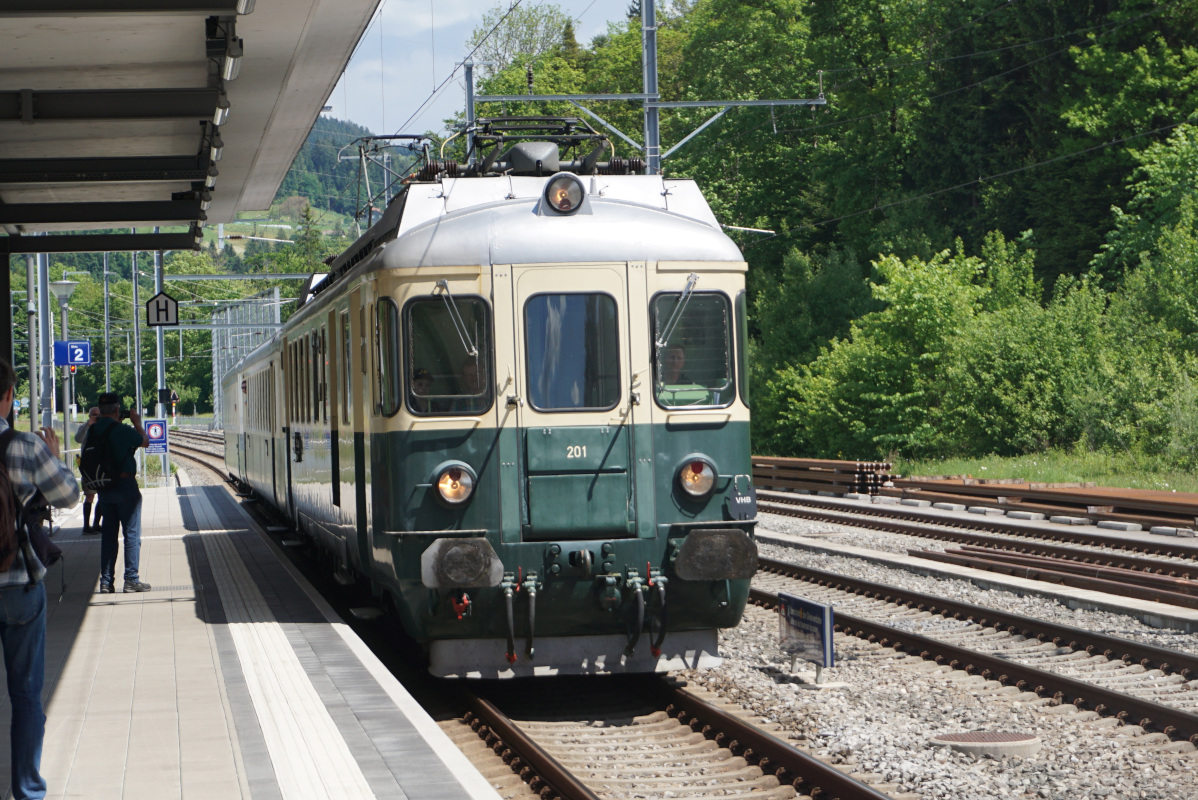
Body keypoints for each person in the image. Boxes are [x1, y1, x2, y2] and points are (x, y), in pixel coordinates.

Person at [0, 357, 80, 800]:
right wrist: (53, 455)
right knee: (27, 696)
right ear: (9, 397)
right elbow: (69, 495)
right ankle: (27, 791)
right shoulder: (27, 446)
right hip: (19, 584)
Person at [91, 393, 151, 594]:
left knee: (108, 536)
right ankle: (131, 580)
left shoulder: (93, 430)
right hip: (125, 487)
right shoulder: (122, 430)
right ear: (117, 409)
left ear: (100, 410)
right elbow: (145, 441)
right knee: (131, 534)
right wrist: (136, 422)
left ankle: (106, 582)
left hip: (104, 489)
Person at [74, 407, 102, 534]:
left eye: (98, 415)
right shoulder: (85, 427)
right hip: (88, 466)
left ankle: (96, 523)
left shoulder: (102, 427)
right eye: (94, 415)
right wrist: (88, 425)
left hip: (100, 464)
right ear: (89, 416)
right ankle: (86, 526)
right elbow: (78, 438)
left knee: (102, 495)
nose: (96, 417)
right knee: (89, 495)